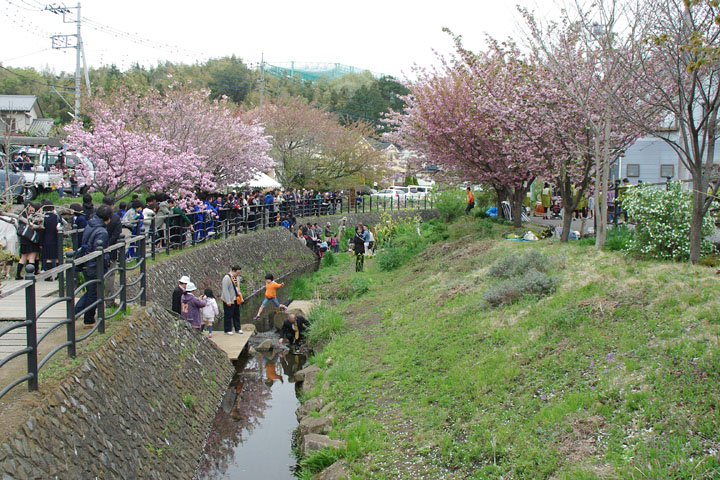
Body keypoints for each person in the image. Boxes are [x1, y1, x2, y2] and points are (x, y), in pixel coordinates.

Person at [75, 204, 112, 328]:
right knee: (93, 293)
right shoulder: (102, 231)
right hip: (94, 265)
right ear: (107, 218)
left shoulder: (90, 224)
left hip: (87, 263)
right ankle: (88, 319)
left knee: (91, 290)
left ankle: (74, 313)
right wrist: (106, 262)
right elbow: (99, 251)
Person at [16, 203, 42, 280]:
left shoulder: (21, 215)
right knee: (31, 258)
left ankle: (18, 274)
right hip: (32, 240)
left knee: (23, 258)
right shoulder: (34, 216)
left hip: (24, 239)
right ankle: (31, 274)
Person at [39, 201, 61, 279]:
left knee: (48, 258)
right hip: (56, 239)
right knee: (57, 258)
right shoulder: (57, 217)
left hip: (46, 240)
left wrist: (40, 242)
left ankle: (49, 276)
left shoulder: (43, 218)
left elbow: (41, 231)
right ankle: (59, 275)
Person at [221, 265, 244, 335]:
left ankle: (238, 328)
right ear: (233, 271)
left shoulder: (237, 278)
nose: (238, 274)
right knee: (228, 314)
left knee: (236, 314)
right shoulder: (226, 278)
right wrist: (228, 300)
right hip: (229, 299)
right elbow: (225, 290)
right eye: (237, 273)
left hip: (236, 299)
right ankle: (227, 329)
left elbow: (237, 288)